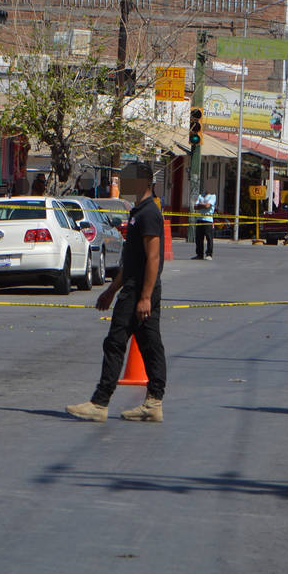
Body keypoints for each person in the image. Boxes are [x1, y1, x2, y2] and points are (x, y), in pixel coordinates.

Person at [67, 162, 167, 423]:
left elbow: (153, 258)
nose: (126, 185)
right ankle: (153, 403)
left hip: (139, 290)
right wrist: (111, 290)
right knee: (149, 344)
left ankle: (100, 403)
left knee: (115, 342)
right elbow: (131, 261)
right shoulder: (138, 212)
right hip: (133, 286)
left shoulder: (149, 214)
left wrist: (145, 296)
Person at [192, 190, 215, 260]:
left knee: (209, 238)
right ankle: (199, 254)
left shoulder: (212, 196)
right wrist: (203, 205)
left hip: (208, 220)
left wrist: (201, 205)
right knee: (198, 238)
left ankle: (209, 254)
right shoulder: (200, 196)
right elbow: (195, 207)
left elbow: (207, 206)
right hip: (199, 219)